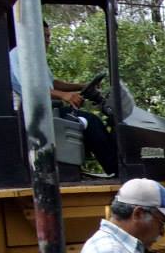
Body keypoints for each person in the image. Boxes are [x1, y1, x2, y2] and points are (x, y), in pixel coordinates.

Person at [9, 20, 118, 175]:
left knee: (91, 122)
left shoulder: (36, 58)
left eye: (49, 36)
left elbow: (52, 83)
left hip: (45, 113)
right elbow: (31, 88)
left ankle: (111, 169)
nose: (48, 40)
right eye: (44, 36)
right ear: (31, 35)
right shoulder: (19, 54)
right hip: (30, 117)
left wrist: (81, 86)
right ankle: (116, 171)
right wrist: (64, 96)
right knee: (91, 122)